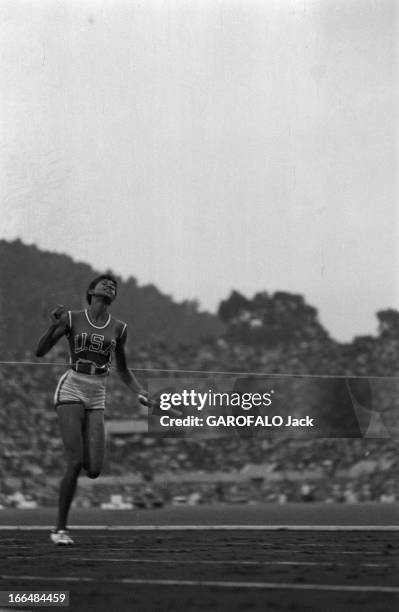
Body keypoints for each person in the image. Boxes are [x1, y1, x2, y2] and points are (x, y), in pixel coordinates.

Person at [35, 274, 148, 545]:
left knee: (94, 468)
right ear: (91, 290)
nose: (110, 285)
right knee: (74, 462)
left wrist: (140, 392)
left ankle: (79, 457)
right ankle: (59, 530)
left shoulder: (120, 328)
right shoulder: (72, 318)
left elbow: (122, 369)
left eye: (114, 286)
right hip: (72, 386)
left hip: (98, 392)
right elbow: (40, 351)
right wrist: (53, 327)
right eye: (104, 283)